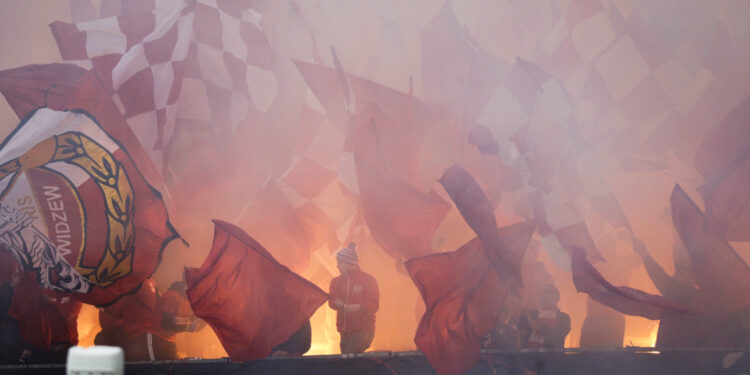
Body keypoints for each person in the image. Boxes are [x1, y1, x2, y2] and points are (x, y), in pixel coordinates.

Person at [328, 243, 379, 354]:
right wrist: (337, 303)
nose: (337, 266)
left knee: (348, 363)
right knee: (351, 365)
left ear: (348, 263)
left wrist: (360, 307)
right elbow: (331, 300)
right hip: (344, 332)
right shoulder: (336, 281)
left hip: (364, 330)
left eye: (339, 263)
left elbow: (374, 305)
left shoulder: (368, 280)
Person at [519, 284, 570, 349]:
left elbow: (558, 336)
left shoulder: (563, 318)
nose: (545, 295)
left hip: (552, 357)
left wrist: (541, 328)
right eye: (543, 292)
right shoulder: (532, 314)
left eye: (549, 292)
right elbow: (520, 330)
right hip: (531, 356)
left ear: (556, 298)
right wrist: (524, 317)